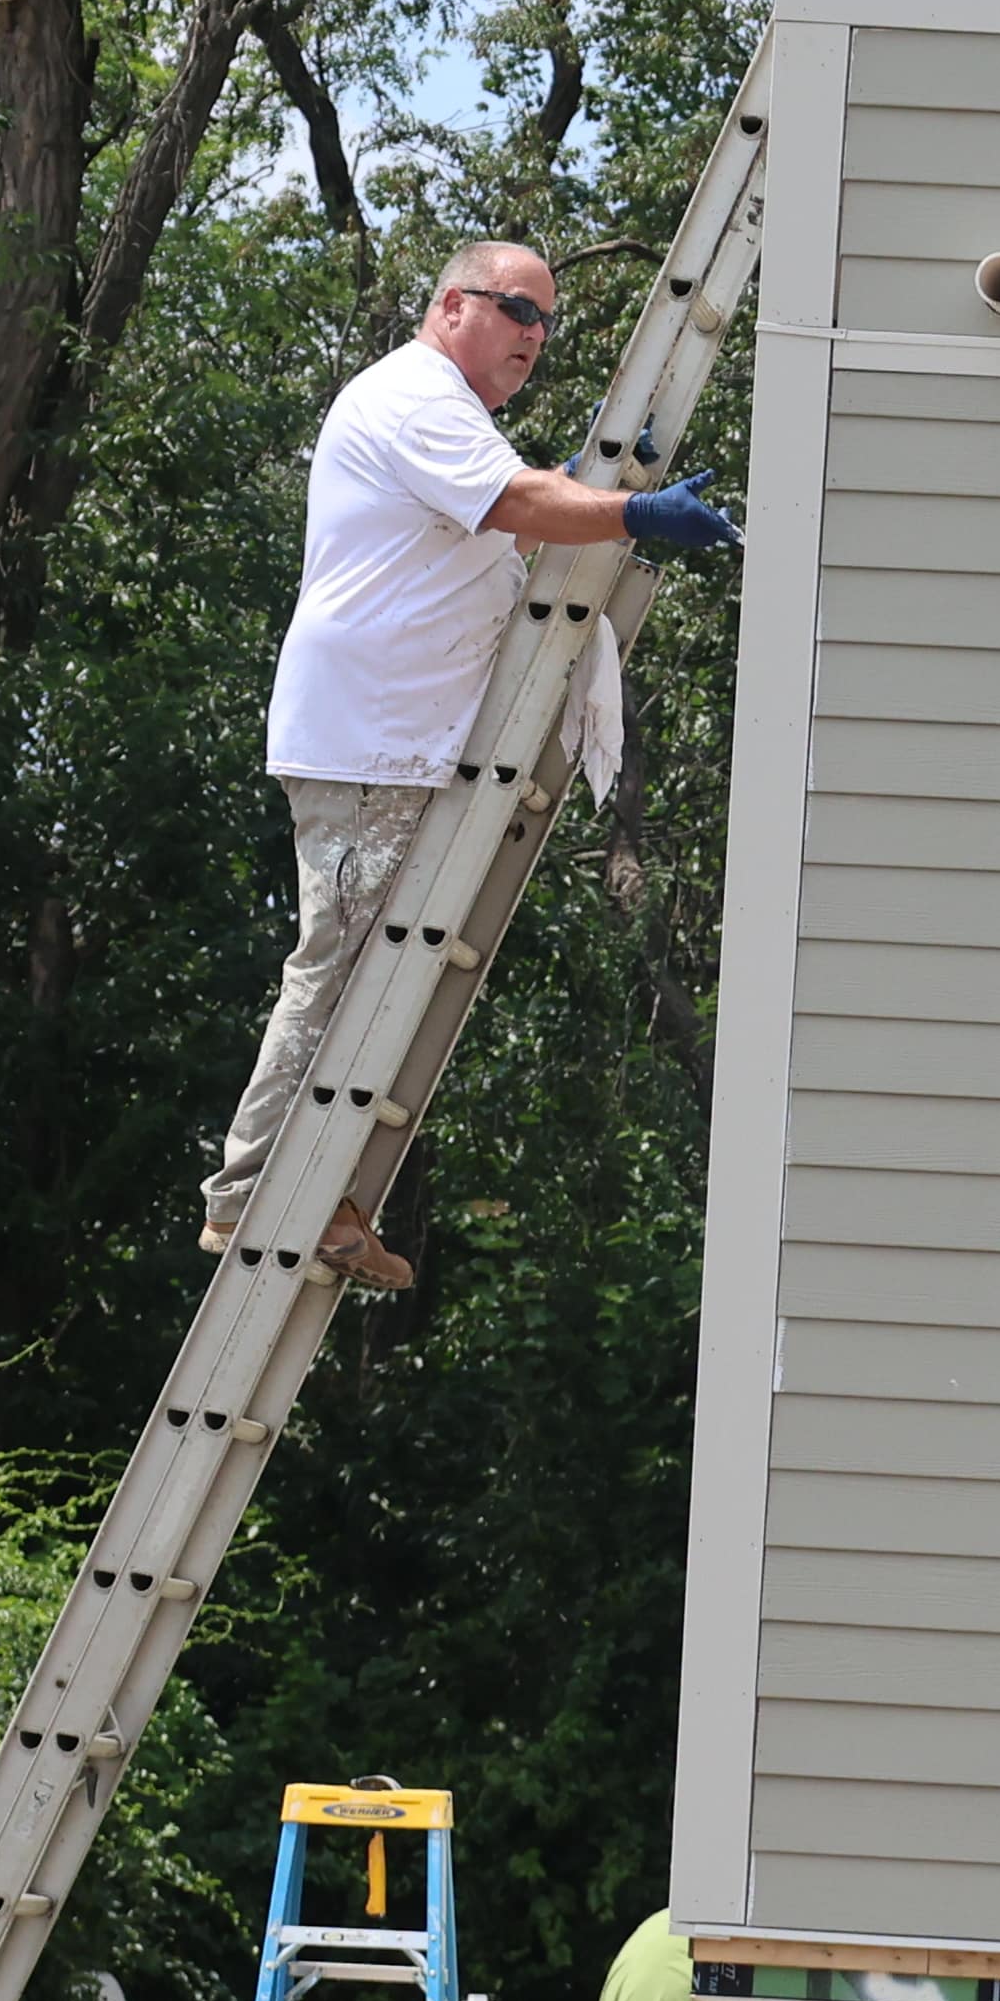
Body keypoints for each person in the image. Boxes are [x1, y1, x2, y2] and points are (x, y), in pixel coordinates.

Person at [207, 238, 740, 1283]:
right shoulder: (415, 397)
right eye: (517, 311)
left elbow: (522, 501)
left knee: (370, 975)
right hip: (368, 742)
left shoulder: (446, 415)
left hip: (393, 738)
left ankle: (326, 1194)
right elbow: (518, 505)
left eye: (546, 321)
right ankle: (247, 1195)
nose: (536, 338)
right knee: (337, 968)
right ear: (453, 304)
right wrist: (633, 510)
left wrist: (593, 489)